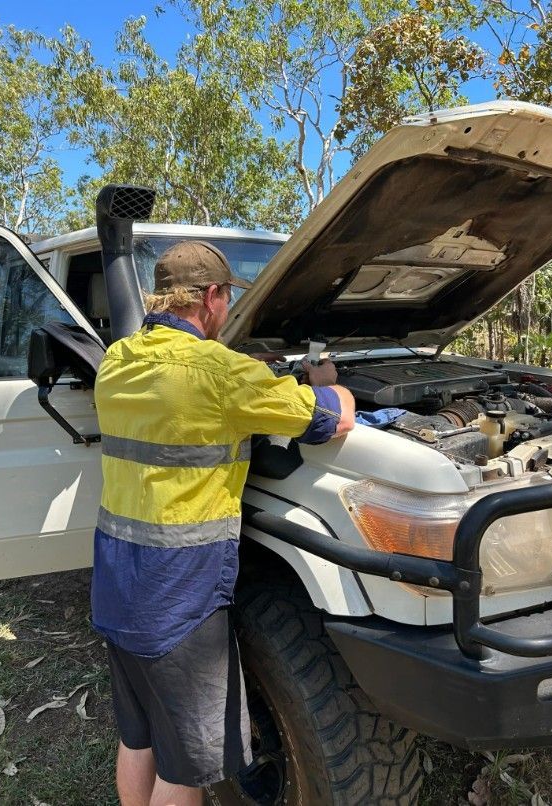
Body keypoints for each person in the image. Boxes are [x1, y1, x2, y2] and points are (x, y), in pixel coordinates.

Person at [91, 240, 355, 806]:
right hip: (178, 603)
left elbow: (183, 395)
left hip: (116, 582)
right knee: (186, 769)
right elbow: (334, 418)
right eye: (227, 299)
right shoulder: (222, 374)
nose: (228, 310)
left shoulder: (117, 361)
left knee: (138, 737)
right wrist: (329, 378)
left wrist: (246, 374)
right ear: (211, 296)